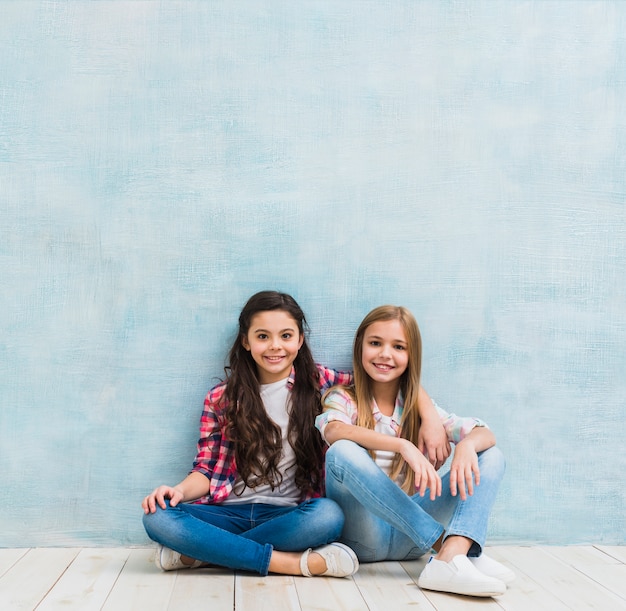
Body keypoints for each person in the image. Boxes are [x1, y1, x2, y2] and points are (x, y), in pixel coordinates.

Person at [142, 292, 449, 578]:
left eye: (286, 336)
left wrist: (431, 417)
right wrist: (178, 491)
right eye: (263, 336)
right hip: (227, 511)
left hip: (292, 517)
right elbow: (206, 471)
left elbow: (382, 375)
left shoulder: (321, 383)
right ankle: (287, 563)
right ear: (246, 342)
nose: (275, 346)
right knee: (156, 516)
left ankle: (205, 554)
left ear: (300, 340)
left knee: (329, 516)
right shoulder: (220, 398)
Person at [316, 305, 514, 597]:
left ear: (411, 357)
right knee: (341, 452)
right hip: (364, 537)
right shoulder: (343, 399)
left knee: (491, 455)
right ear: (360, 348)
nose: (385, 354)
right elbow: (333, 431)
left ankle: (454, 553)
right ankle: (446, 548)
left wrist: (467, 446)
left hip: (411, 541)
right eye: (375, 343)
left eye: (398, 347)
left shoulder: (419, 412)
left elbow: (486, 433)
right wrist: (402, 445)